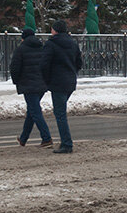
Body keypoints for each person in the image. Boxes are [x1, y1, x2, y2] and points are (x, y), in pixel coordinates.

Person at [41, 19, 82, 154]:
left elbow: (44, 64)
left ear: (55, 30)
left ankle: (66, 144)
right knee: (61, 112)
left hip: (57, 82)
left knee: (60, 114)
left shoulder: (51, 44)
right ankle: (66, 142)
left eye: (52, 28)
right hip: (69, 82)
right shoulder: (73, 44)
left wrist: (47, 80)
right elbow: (79, 63)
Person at [9, 27, 53, 148]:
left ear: (23, 38)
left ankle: (46, 138)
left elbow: (14, 68)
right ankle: (23, 138)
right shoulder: (42, 48)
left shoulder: (20, 50)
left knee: (35, 111)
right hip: (42, 84)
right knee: (32, 111)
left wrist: (17, 81)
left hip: (28, 85)